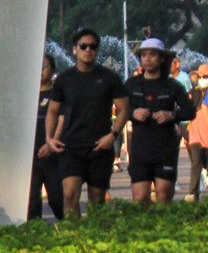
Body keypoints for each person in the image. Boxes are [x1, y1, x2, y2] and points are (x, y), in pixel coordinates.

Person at [44, 26, 129, 216]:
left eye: (93, 46)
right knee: (69, 195)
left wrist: (113, 135)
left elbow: (124, 110)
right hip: (71, 145)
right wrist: (49, 138)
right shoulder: (64, 80)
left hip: (100, 146)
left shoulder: (110, 78)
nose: (88, 50)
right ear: (75, 49)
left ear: (97, 50)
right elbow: (52, 111)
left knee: (96, 200)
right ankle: (74, 232)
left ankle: (93, 232)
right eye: (83, 46)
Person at [126, 37, 191, 206]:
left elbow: (190, 110)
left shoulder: (172, 85)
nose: (147, 58)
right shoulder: (132, 84)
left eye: (152, 55)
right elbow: (118, 109)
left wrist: (172, 115)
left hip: (165, 150)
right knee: (140, 200)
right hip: (140, 149)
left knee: (163, 199)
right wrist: (133, 113)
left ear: (162, 58)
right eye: (144, 55)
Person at [28, 53, 64, 220]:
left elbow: (62, 120)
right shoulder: (27, 94)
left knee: (57, 200)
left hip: (53, 154)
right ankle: (35, 230)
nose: (41, 70)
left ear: (52, 70)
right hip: (31, 155)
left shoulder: (57, 94)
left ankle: (70, 227)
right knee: (32, 200)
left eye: (45, 67)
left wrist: (51, 143)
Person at [184, 64, 208, 201]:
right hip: (196, 132)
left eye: (206, 77)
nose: (203, 79)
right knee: (196, 163)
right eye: (201, 76)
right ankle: (193, 193)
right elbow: (185, 110)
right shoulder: (193, 92)